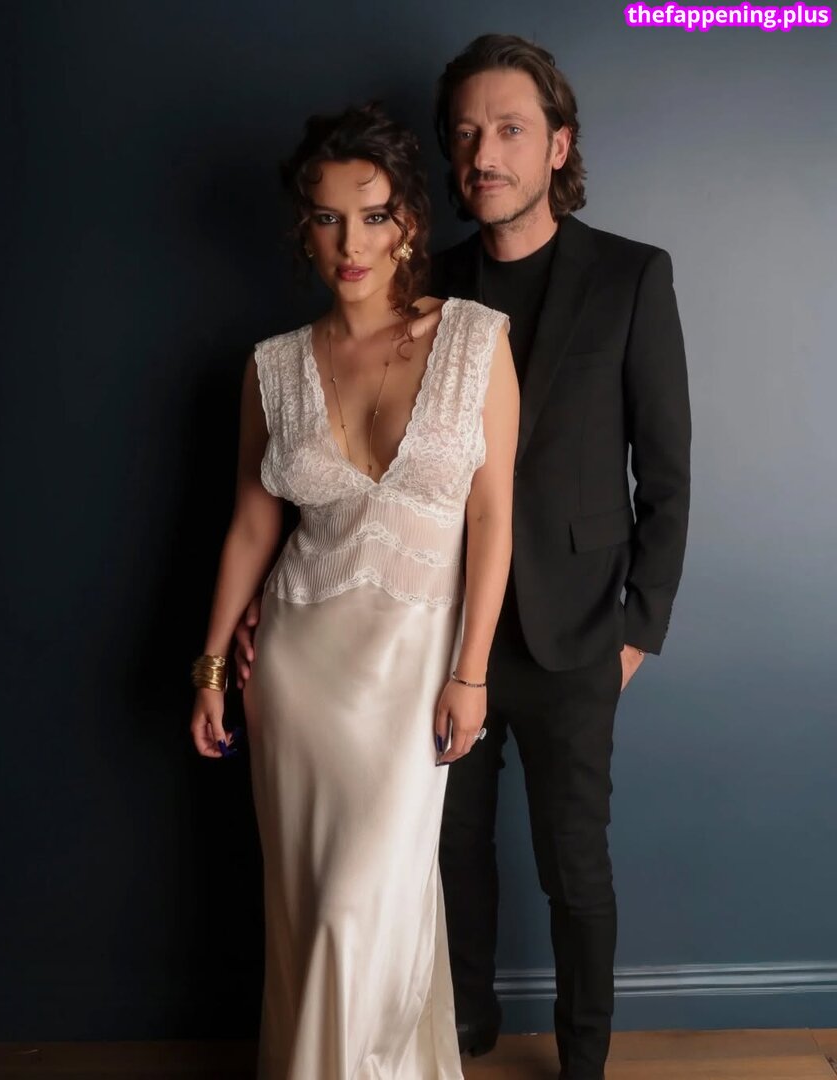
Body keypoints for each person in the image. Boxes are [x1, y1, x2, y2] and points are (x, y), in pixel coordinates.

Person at [190, 102, 518, 1080]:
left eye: (373, 216)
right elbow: (253, 527)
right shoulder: (274, 367)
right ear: (305, 228)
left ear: (409, 219)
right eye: (328, 218)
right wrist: (210, 668)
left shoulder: (475, 341)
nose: (351, 243)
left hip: (416, 673)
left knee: (366, 908)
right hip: (298, 673)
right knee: (314, 912)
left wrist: (471, 674)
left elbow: (493, 517)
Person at [429, 35, 692, 1080]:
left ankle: (584, 1060)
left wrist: (636, 633)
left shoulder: (632, 276)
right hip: (447, 625)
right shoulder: (429, 284)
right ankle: (466, 1026)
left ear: (557, 145)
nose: (483, 154)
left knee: (574, 868)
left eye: (508, 130)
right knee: (448, 852)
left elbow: (666, 473)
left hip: (579, 631)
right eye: (465, 135)